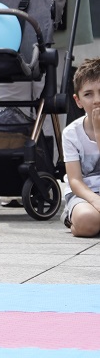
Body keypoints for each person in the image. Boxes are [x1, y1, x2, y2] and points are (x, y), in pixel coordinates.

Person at [62, 58, 100, 238]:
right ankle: (74, 219)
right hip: (85, 194)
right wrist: (95, 200)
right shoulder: (71, 133)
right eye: (88, 94)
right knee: (87, 221)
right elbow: (75, 180)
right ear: (78, 100)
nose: (96, 101)